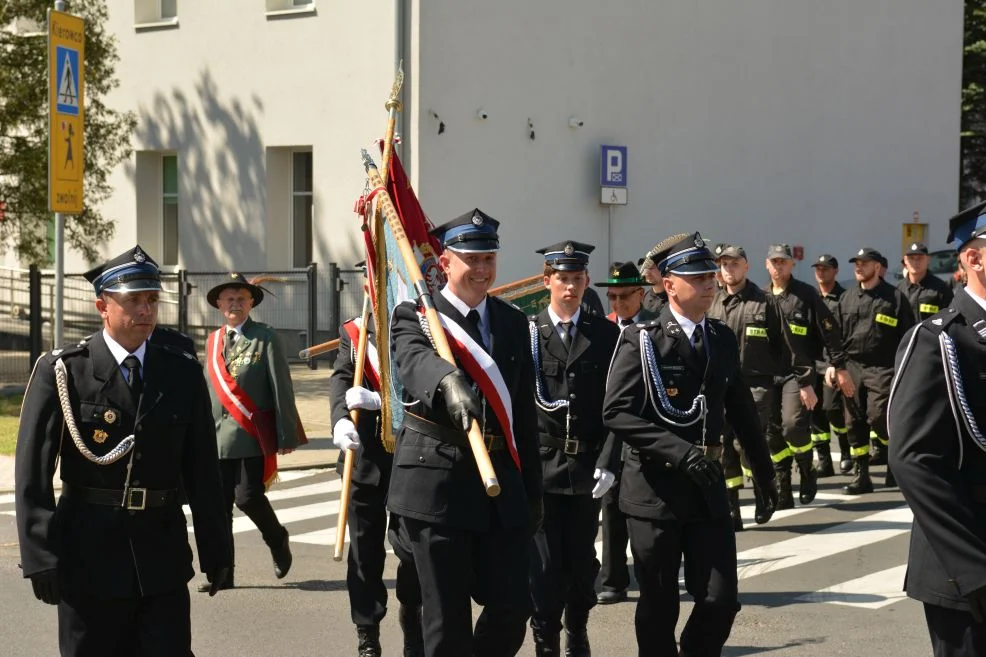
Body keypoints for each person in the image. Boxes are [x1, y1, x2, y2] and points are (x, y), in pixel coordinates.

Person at [15, 245, 231, 656]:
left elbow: (202, 468)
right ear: (102, 305)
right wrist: (40, 555)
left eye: (151, 299)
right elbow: (32, 472)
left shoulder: (180, 369)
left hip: (161, 556)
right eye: (133, 300)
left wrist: (217, 548)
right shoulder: (66, 371)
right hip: (88, 555)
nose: (146, 310)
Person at [603, 232, 779, 657]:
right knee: (659, 607)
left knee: (721, 599)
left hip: (707, 489)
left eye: (710, 276)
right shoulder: (642, 338)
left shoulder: (719, 336)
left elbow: (740, 410)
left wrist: (765, 473)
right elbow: (616, 412)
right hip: (655, 492)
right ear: (669, 285)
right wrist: (679, 452)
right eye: (698, 277)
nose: (709, 283)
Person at [386, 209, 542, 657]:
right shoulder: (416, 315)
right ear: (445, 263)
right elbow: (413, 362)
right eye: (470, 258)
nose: (481, 269)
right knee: (446, 622)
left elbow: (523, 415)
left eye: (488, 258)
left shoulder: (512, 323)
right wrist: (446, 382)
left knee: (513, 609)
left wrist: (533, 490)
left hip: (500, 486)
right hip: (438, 487)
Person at [888, 202, 986, 656]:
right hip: (964, 564)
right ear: (974, 258)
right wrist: (975, 570)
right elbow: (912, 461)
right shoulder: (939, 340)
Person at [527, 243, 620, 656]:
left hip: (586, 467)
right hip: (542, 466)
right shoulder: (529, 332)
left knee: (582, 561)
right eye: (562, 278)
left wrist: (609, 460)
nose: (570, 287)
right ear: (547, 281)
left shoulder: (605, 334)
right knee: (544, 565)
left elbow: (620, 406)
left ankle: (577, 631)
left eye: (577, 279)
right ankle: (545, 636)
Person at [330, 281, 424, 657]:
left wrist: (384, 401)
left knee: (413, 551)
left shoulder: (420, 328)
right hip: (363, 457)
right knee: (364, 554)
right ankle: (367, 631)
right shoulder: (354, 331)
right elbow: (341, 378)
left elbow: (422, 384)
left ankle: (412, 614)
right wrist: (339, 420)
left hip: (410, 459)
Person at [200, 273, 302, 591]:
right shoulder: (213, 340)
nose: (235, 304)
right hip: (216, 437)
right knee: (219, 508)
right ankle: (223, 572)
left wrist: (286, 434)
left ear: (250, 304)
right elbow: (209, 392)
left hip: (250, 435)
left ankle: (277, 539)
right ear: (219, 304)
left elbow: (280, 387)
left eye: (241, 299)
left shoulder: (265, 337)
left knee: (248, 498)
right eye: (229, 299)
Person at [708, 245, 811, 530]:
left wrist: (804, 381)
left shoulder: (765, 302)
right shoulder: (713, 303)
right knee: (723, 446)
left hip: (756, 385)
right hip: (720, 385)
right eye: (724, 264)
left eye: (735, 264)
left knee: (747, 443)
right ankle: (731, 507)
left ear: (747, 266)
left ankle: (762, 493)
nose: (729, 269)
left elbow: (789, 347)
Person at [765, 243, 854, 507]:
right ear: (767, 265)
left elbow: (829, 331)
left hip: (799, 373)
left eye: (783, 261)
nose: (779, 266)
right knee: (771, 432)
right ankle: (783, 485)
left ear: (792, 264)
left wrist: (837, 366)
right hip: (768, 375)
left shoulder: (806, 294)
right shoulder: (761, 297)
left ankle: (806, 469)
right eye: (774, 262)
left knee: (793, 425)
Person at [594, 261, 659, 604]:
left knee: (641, 509)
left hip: (642, 426)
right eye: (612, 297)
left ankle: (651, 573)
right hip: (607, 428)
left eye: (624, 296)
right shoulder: (603, 329)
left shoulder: (655, 327)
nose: (617, 304)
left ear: (641, 293)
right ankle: (614, 580)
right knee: (610, 504)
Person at [834, 248, 915, 494]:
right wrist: (835, 367)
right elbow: (834, 337)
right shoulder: (846, 298)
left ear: (878, 267)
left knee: (880, 416)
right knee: (853, 420)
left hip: (883, 366)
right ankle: (862, 476)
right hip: (852, 367)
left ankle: (894, 463)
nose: (859, 267)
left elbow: (909, 336)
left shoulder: (895, 298)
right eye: (856, 263)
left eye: (864, 263)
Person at [809, 254, 850, 476]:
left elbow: (842, 334)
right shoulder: (811, 297)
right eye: (818, 268)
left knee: (832, 409)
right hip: (812, 363)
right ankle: (824, 460)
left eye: (825, 268)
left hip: (832, 363)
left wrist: (837, 363)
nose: (821, 272)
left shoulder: (843, 298)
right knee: (815, 413)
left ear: (835, 271)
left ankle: (845, 452)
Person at [897, 241, 954, 321]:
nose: (915, 262)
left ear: (928, 259)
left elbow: (949, 317)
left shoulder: (941, 288)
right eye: (911, 258)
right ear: (905, 260)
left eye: (920, 258)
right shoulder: (899, 289)